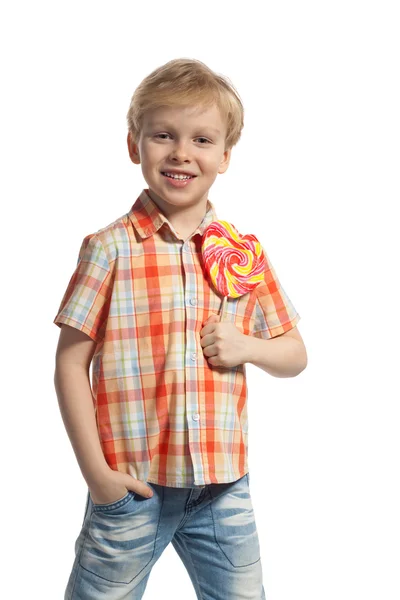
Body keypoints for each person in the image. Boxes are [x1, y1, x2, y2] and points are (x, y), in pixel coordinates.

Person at [53, 57, 307, 600]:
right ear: (134, 145)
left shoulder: (240, 253)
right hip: (132, 485)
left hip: (222, 486)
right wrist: (98, 477)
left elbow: (294, 354)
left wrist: (248, 347)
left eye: (202, 139)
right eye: (163, 135)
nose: (181, 153)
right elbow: (70, 364)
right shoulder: (110, 249)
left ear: (225, 156)